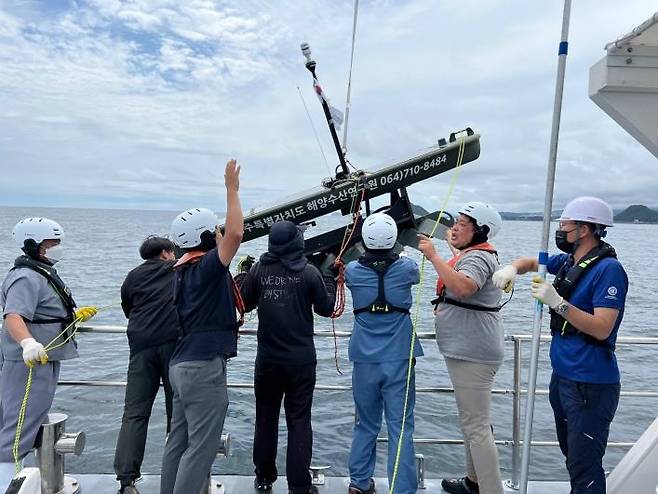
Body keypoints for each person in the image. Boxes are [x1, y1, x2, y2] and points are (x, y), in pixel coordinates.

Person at [492, 196, 628, 494]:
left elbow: (603, 328)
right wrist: (512, 269)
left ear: (585, 229)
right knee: (573, 457)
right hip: (564, 376)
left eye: (565, 224)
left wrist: (557, 302)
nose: (561, 230)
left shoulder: (608, 270)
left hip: (590, 382)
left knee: (585, 465)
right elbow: (532, 262)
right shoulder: (570, 261)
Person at [159, 159, 244, 494]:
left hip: (181, 366)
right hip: (202, 369)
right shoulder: (206, 267)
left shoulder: (182, 270)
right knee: (201, 448)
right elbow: (236, 233)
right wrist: (231, 189)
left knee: (177, 442)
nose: (221, 234)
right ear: (209, 237)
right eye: (216, 231)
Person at [238, 220, 336, 494]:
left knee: (265, 418)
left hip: (267, 360)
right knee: (299, 421)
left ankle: (264, 476)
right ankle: (299, 486)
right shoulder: (309, 272)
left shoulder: (260, 270)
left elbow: (243, 303)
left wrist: (242, 273)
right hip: (301, 362)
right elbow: (327, 309)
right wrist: (330, 277)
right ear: (296, 243)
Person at [0, 217, 96, 489]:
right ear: (34, 245)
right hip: (30, 362)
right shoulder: (26, 277)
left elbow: (43, 310)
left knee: (25, 419)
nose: (58, 248)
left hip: (44, 358)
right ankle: (6, 482)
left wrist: (73, 317)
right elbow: (13, 316)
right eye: (52, 243)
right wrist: (28, 344)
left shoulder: (39, 272)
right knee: (19, 426)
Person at [418, 201, 505, 494]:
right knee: (473, 423)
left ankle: (490, 489)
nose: (454, 227)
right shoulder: (474, 255)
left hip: (473, 354)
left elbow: (464, 287)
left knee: (477, 427)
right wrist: (452, 251)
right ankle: (474, 482)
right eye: (455, 221)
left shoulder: (479, 260)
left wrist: (433, 256)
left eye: (462, 224)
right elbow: (462, 273)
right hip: (469, 350)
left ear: (480, 231)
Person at [345, 212, 422, 494]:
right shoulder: (407, 269)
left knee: (365, 422)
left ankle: (359, 482)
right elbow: (408, 268)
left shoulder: (353, 271)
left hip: (364, 357)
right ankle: (401, 489)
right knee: (401, 426)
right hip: (400, 355)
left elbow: (350, 271)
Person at [113, 236, 180, 494]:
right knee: (178, 415)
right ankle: (176, 475)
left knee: (135, 413)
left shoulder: (133, 276)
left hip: (141, 348)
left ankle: (127, 480)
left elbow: (128, 308)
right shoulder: (178, 269)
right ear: (165, 253)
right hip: (175, 347)